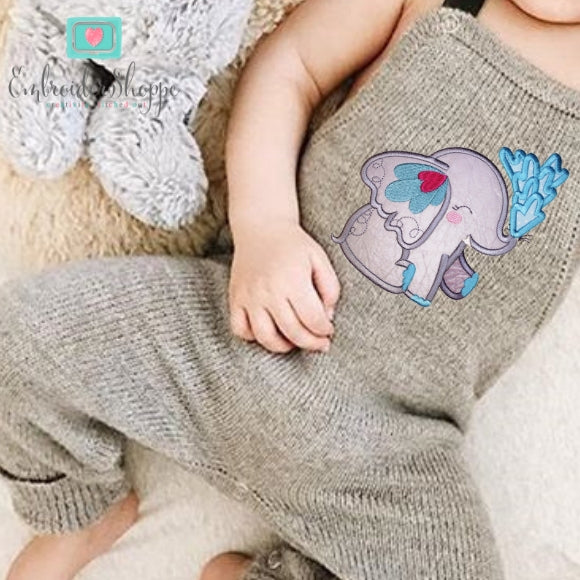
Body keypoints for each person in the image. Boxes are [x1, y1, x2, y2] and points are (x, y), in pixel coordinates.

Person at [1, 0, 579, 578]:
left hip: (394, 449)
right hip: (227, 336)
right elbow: (291, 68)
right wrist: (265, 225)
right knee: (15, 343)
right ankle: (78, 514)